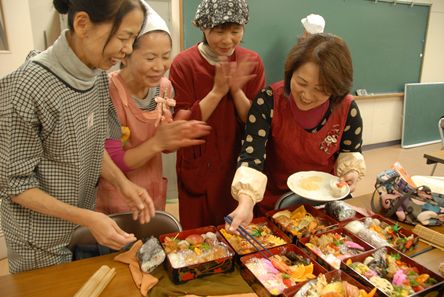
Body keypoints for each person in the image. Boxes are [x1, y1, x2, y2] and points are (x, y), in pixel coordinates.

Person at [0, 0, 155, 273]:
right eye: (123, 37)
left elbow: (92, 145)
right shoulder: (27, 86)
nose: (127, 50)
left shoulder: (96, 76)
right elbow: (16, 186)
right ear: (82, 24)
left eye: (133, 39)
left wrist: (123, 184)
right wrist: (88, 218)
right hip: (39, 241)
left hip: (77, 226)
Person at [228, 33, 366, 231]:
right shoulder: (268, 100)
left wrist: (350, 173)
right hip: (274, 204)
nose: (307, 95)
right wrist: (246, 202)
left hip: (323, 206)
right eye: (301, 82)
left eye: (321, 89)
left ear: (336, 89)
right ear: (290, 72)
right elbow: (252, 156)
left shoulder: (347, 108)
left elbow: (350, 151)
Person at [95, 2, 211, 214]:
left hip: (152, 192)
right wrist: (159, 141)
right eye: (150, 58)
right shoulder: (109, 91)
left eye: (166, 56)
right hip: (118, 199)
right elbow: (114, 161)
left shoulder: (164, 88)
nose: (160, 66)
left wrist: (175, 134)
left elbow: (165, 146)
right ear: (126, 54)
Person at [169, 0, 266, 229]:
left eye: (235, 31)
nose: (227, 40)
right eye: (219, 31)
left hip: (237, 158)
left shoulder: (251, 61)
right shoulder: (184, 64)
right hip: (199, 162)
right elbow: (182, 126)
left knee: (237, 228)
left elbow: (254, 122)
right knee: (199, 233)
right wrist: (218, 91)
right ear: (204, 28)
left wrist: (236, 90)